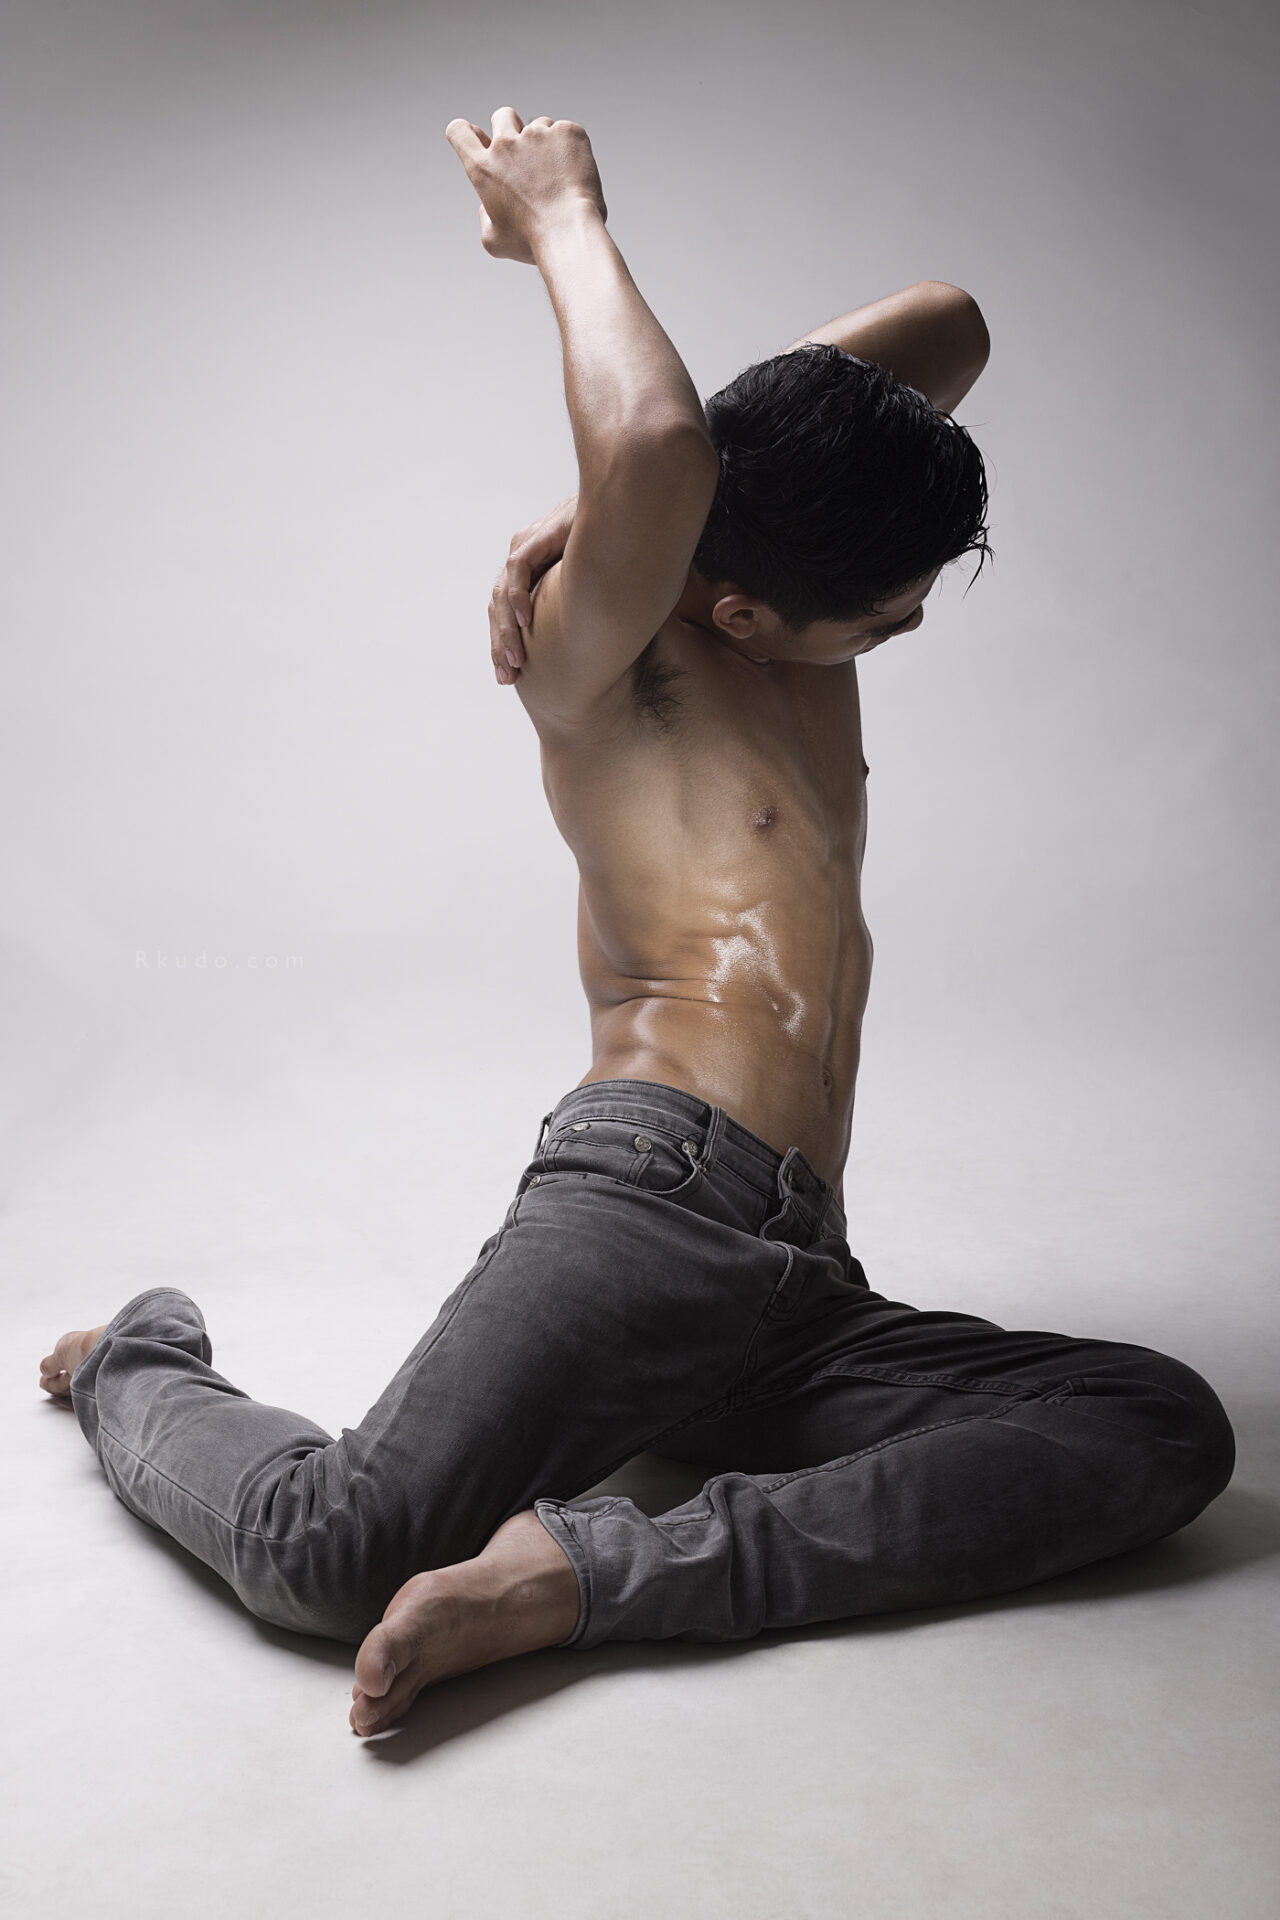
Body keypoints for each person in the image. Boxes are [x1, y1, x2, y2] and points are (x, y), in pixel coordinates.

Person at [40, 110, 1234, 1739]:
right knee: (328, 1555)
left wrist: (602, 488)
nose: (899, 631)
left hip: (795, 1272)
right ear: (744, 614)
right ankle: (138, 1359)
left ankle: (602, 1567)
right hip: (649, 1207)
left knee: (1156, 1425)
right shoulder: (593, 647)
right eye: (887, 622)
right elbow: (662, 448)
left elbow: (947, 325)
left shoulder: (774, 553)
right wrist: (561, 223)